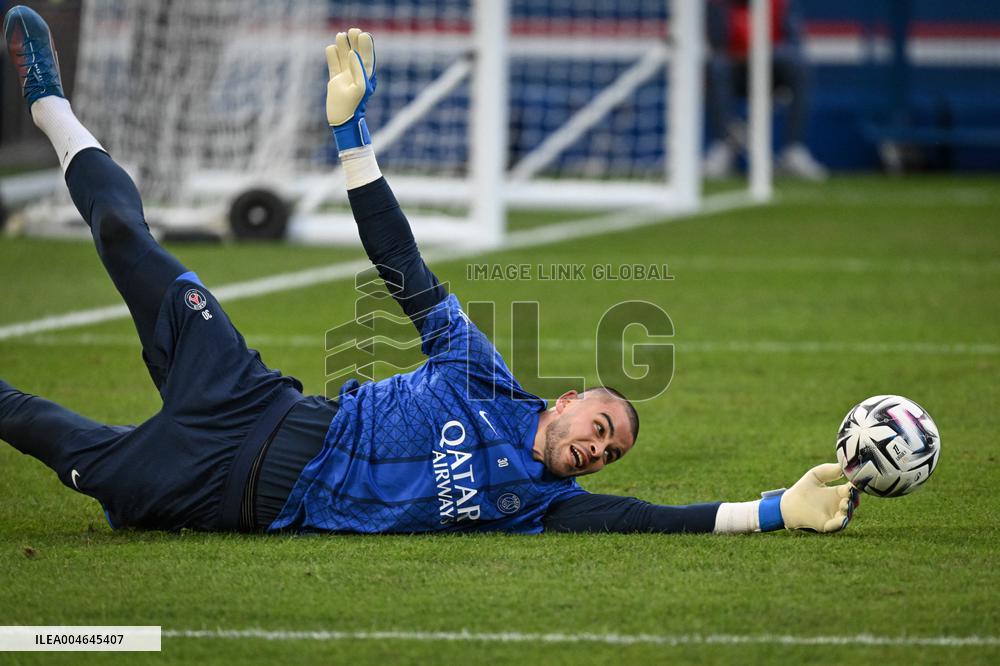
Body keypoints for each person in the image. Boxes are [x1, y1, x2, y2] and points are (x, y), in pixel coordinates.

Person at [0, 6, 858, 536]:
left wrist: (776, 509)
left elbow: (653, 521)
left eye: (610, 451)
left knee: (42, 430)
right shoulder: (482, 372)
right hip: (256, 399)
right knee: (129, 241)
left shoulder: (539, 505)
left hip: (227, 499)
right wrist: (350, 138)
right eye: (601, 423)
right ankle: (53, 108)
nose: (599, 449)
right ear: (565, 400)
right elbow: (400, 263)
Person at [704, 0, 828, 181]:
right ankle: (722, 148)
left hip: (773, 72)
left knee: (800, 67)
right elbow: (717, 43)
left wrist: (760, 54)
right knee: (716, 67)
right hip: (735, 72)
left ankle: (793, 150)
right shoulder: (718, 4)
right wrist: (744, 55)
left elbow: (793, 44)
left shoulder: (781, 3)